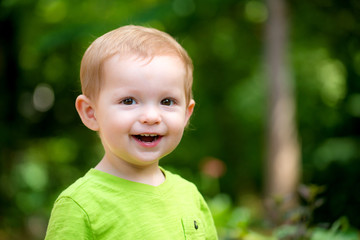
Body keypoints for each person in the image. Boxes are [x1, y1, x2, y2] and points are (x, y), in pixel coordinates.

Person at [45, 25, 218, 239]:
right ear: (91, 113)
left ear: (186, 113)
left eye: (167, 101)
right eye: (128, 101)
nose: (151, 116)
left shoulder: (189, 195)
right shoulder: (80, 205)